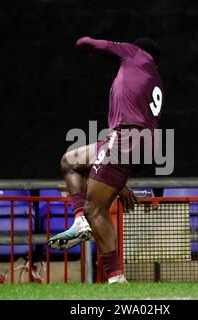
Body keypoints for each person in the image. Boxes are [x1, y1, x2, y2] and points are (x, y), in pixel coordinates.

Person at [47, 36, 163, 284]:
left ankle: (116, 277)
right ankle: (80, 221)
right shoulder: (154, 76)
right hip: (139, 140)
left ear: (139, 49)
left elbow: (85, 42)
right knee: (70, 161)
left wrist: (84, 48)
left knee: (95, 208)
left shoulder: (134, 54)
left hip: (126, 136)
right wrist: (118, 182)